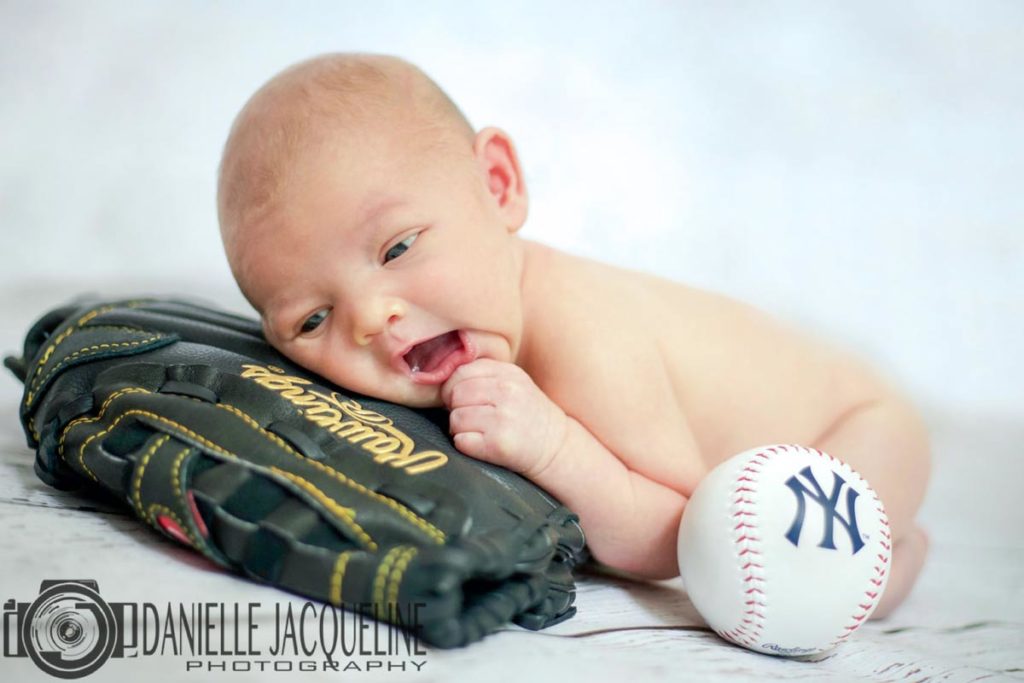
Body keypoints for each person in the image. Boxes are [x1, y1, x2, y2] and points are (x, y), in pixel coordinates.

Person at [216, 52, 930, 618]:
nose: (369, 319)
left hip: (858, 423)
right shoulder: (461, 331)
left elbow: (687, 533)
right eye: (312, 319)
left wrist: (555, 445)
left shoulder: (587, 338)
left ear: (498, 186)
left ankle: (888, 572)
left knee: (780, 569)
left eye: (398, 248)